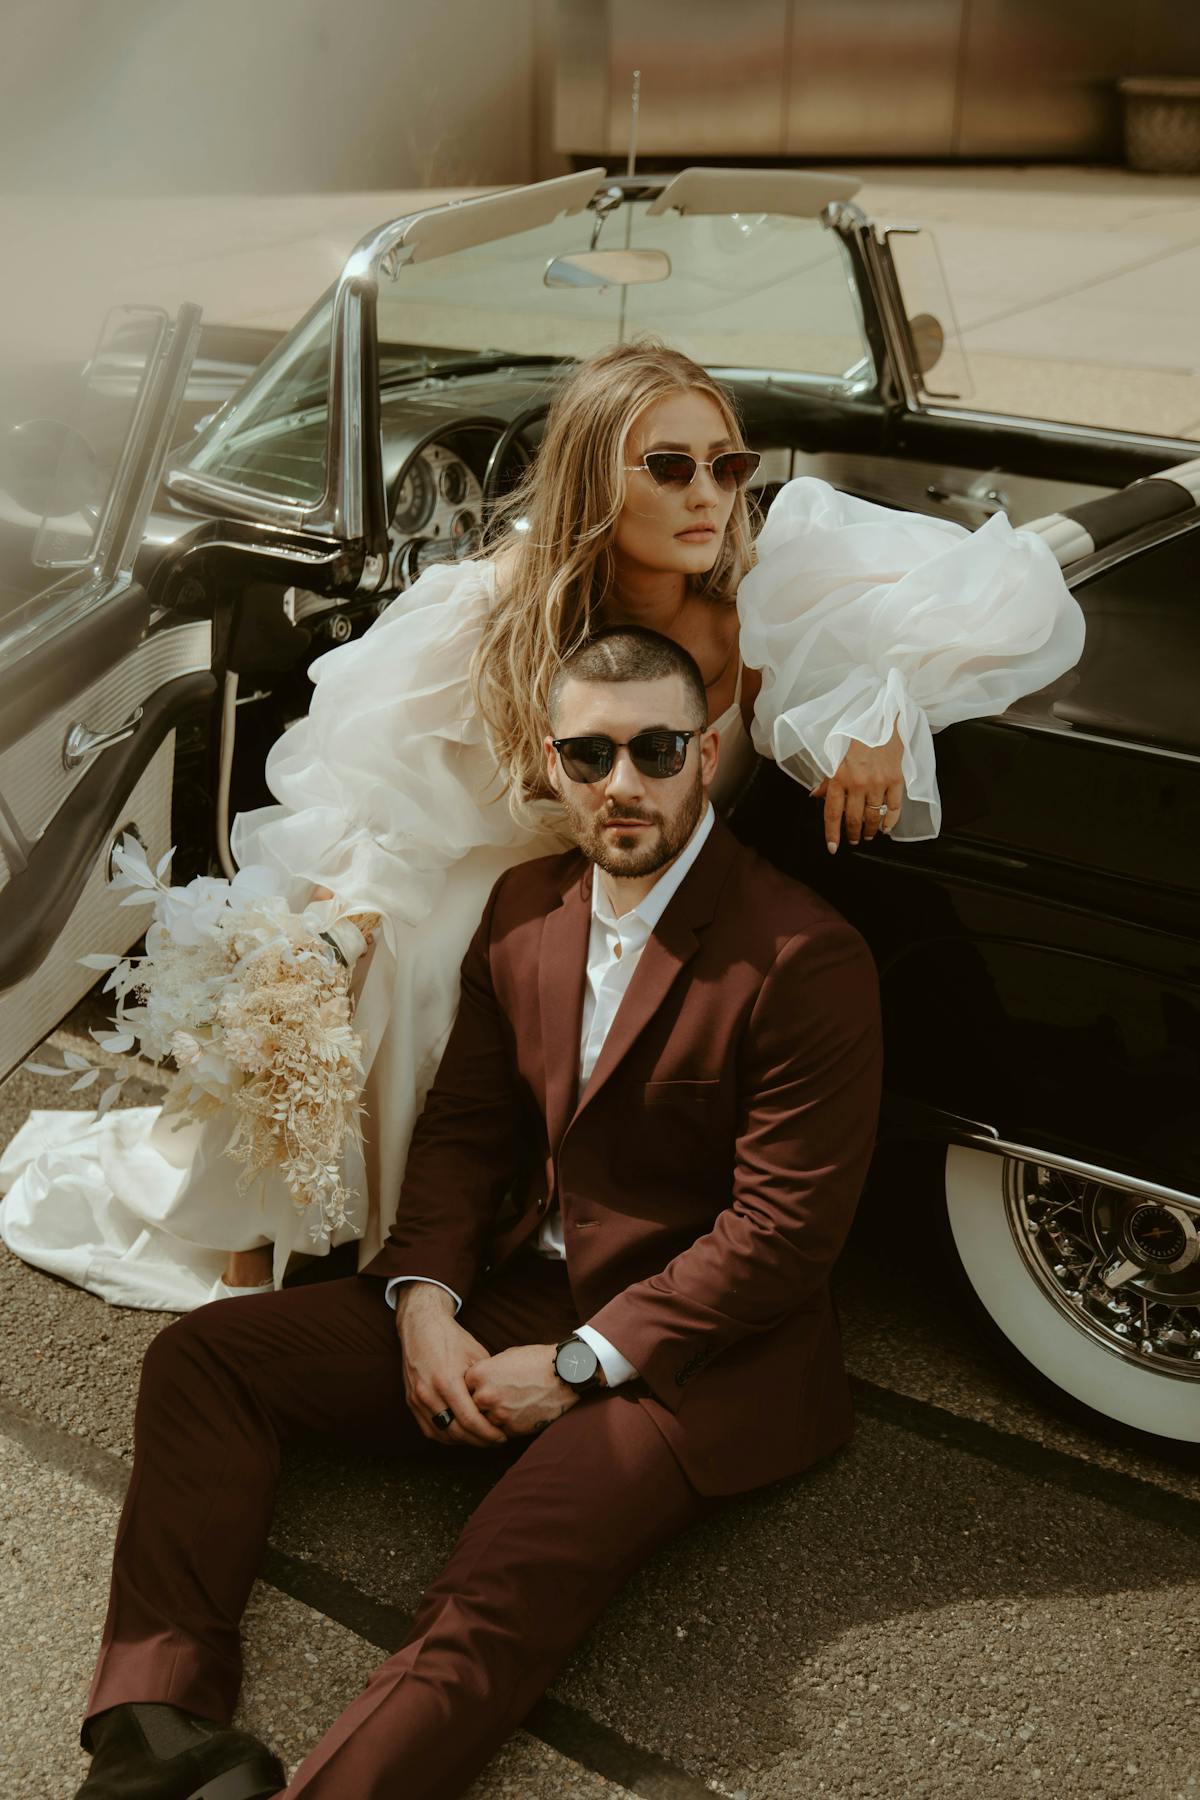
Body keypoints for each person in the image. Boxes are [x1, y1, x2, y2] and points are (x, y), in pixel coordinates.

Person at [0, 340, 1083, 1307]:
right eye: (668, 466)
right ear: (592, 480)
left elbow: (998, 592)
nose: (708, 492)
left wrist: (879, 700)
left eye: (728, 464)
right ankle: (313, 1242)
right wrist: (334, 927)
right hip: (491, 860)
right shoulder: (495, 610)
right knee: (412, 963)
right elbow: (382, 789)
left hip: (656, 878)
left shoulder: (764, 598)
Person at [74, 628, 882, 1800]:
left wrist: (575, 1367)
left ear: (707, 753)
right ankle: (151, 1737)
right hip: (514, 1290)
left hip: (684, 1357)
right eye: (591, 753)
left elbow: (785, 1234)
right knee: (204, 1359)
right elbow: (466, 1135)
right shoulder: (523, 907)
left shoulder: (805, 954)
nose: (624, 783)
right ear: (552, 764)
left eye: (657, 749)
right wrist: (423, 1306)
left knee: (490, 1588)